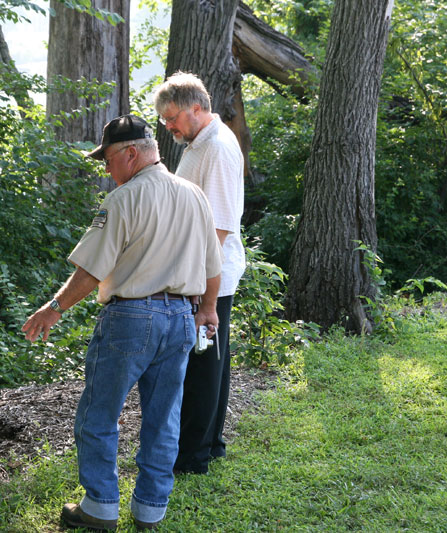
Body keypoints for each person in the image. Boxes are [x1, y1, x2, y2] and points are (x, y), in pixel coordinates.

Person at [21, 114, 223, 531]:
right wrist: (207, 309)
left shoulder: (123, 200)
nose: (107, 170)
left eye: (109, 160)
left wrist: (52, 309)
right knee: (164, 419)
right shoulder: (194, 196)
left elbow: (92, 270)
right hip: (182, 319)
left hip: (131, 319)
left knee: (99, 414)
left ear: (132, 153)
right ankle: (150, 509)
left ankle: (100, 507)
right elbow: (212, 266)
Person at [152, 72, 246, 475]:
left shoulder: (219, 149)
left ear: (197, 108)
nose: (168, 126)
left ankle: (192, 456)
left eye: (171, 117)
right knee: (212, 361)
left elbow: (220, 227)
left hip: (209, 273)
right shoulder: (198, 142)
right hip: (200, 270)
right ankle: (211, 444)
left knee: (201, 366)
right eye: (162, 121)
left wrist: (199, 288)